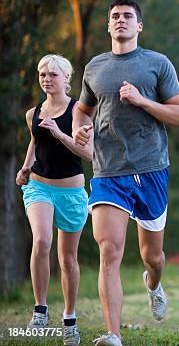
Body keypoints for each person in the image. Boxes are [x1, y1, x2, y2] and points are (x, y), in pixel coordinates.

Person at [73, 0, 179, 346]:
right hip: (108, 171)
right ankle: (113, 334)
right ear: (108, 26)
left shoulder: (157, 64)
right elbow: (82, 109)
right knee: (109, 250)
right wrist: (81, 128)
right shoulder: (94, 67)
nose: (120, 20)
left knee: (152, 256)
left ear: (139, 25)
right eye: (115, 17)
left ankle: (153, 283)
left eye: (128, 16)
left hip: (151, 168)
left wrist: (142, 101)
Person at [16, 54, 93, 346]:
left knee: (67, 258)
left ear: (67, 79)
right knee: (42, 240)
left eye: (53, 74)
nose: (47, 79)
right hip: (39, 187)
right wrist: (25, 168)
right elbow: (35, 142)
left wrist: (60, 133)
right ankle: (40, 311)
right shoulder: (32, 113)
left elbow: (88, 154)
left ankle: (70, 318)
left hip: (72, 192)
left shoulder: (78, 112)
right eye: (42, 74)